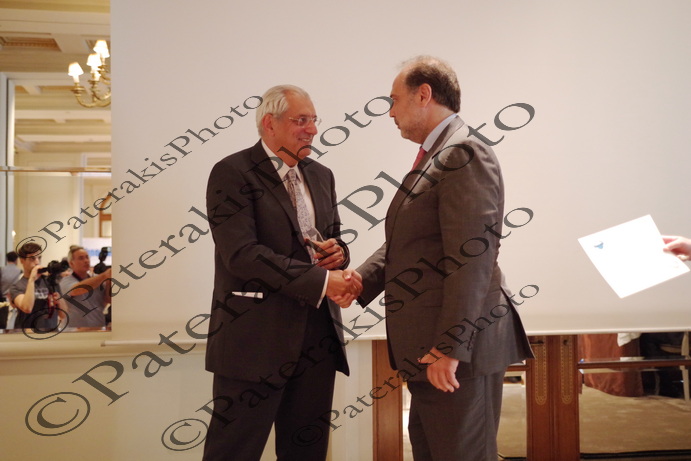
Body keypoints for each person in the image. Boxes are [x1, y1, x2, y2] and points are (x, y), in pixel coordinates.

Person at [354, 56, 533, 461]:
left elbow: (473, 259)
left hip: (455, 352)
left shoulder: (463, 153)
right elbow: (413, 240)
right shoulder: (439, 153)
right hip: (431, 348)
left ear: (423, 94)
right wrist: (362, 279)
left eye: (394, 100)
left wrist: (450, 346)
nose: (390, 112)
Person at [202, 84, 360, 461]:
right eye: (301, 120)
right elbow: (242, 255)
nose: (312, 130)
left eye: (314, 120)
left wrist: (338, 254)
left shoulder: (321, 175)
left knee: (306, 452)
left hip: (317, 338)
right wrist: (322, 281)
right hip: (253, 341)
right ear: (269, 123)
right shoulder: (232, 172)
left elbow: (333, 237)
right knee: (233, 452)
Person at [9, 242, 67, 333]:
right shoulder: (16, 286)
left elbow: (63, 315)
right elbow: (27, 308)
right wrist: (32, 280)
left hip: (50, 332)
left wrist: (59, 301)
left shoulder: (50, 282)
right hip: (27, 334)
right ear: (22, 260)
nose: (37, 262)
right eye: (32, 258)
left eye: (39, 258)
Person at [59, 245, 111, 329]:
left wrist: (109, 281)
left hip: (97, 328)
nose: (86, 261)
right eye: (81, 258)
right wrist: (104, 275)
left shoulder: (97, 279)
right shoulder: (65, 281)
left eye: (87, 257)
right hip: (73, 331)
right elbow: (78, 289)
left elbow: (108, 300)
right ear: (71, 263)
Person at [0, 251, 22, 328]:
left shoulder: (1, 270)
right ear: (16, 260)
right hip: (14, 299)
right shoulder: (20, 271)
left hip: (2, 299)